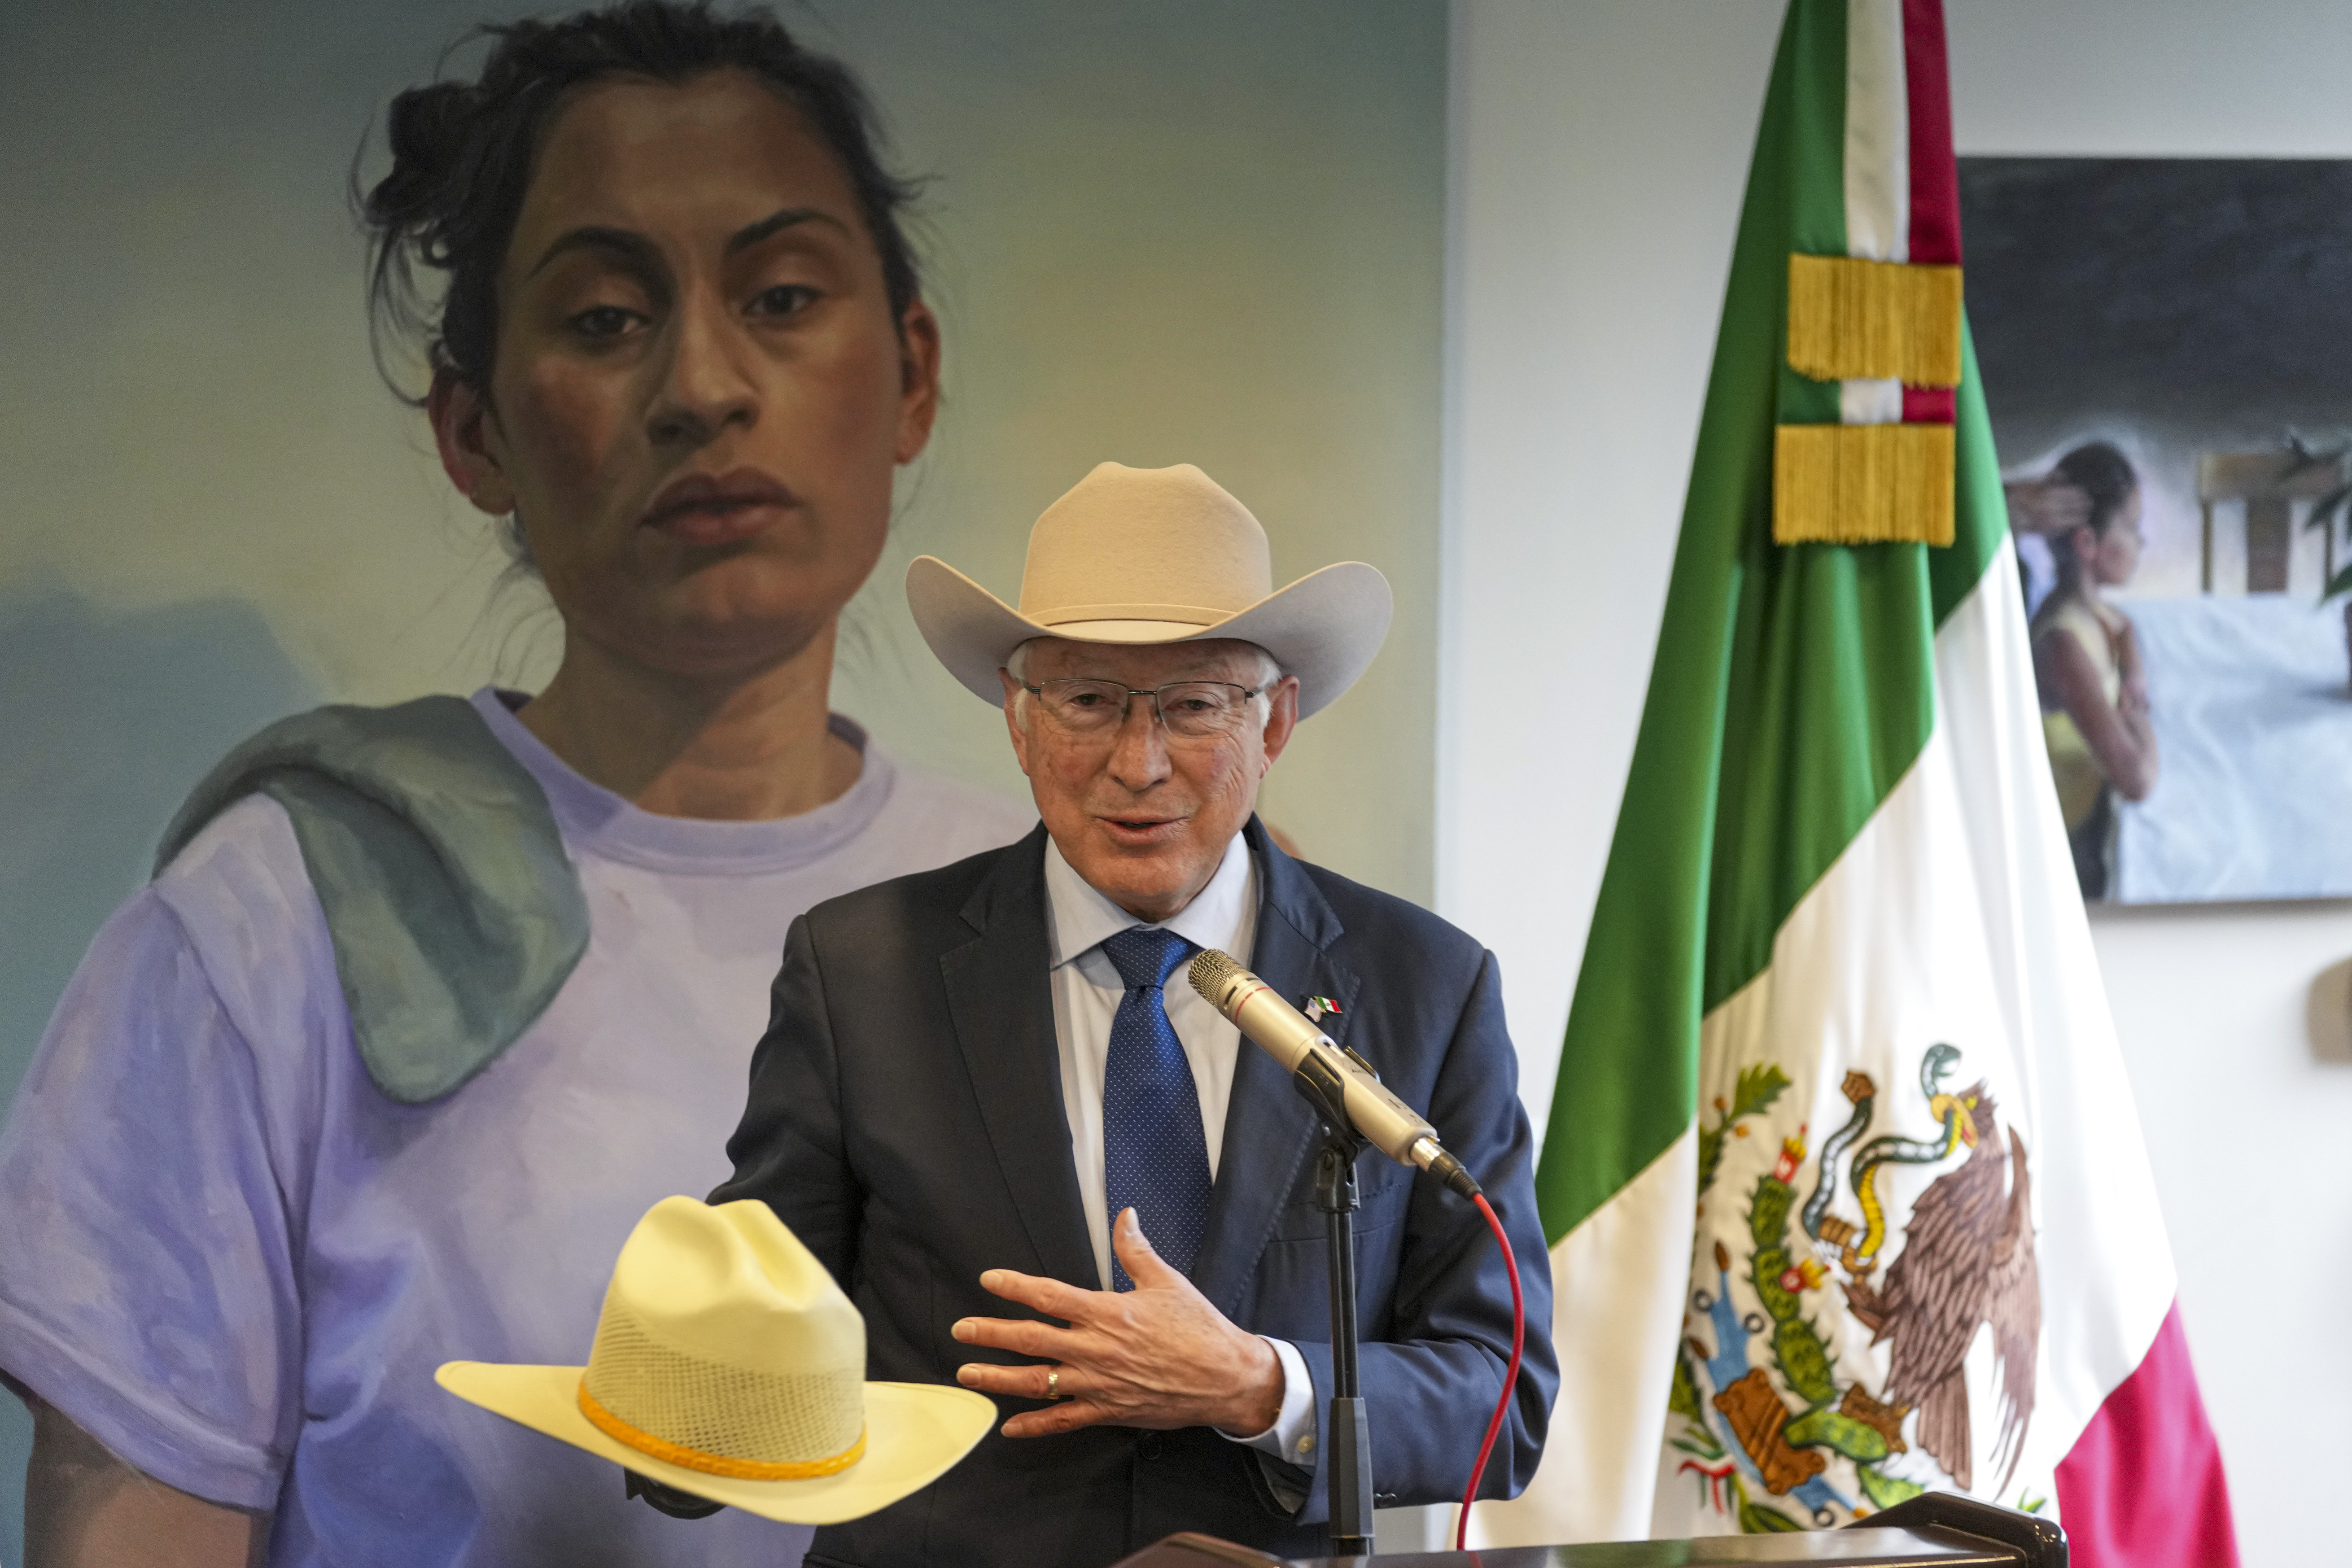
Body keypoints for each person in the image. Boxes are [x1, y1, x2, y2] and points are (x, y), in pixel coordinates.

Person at [0, 6, 1032, 1566]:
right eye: (609, 318)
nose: (703, 383)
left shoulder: (1067, 911)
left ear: (910, 372)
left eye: (782, 294)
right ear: (473, 428)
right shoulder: (279, 931)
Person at [712, 462, 1557, 1565]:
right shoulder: (859, 968)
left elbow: (1499, 1392)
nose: (1136, 762)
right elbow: (760, 1312)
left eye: (1193, 705)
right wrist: (682, 1381)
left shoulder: (1424, 986)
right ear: (1018, 719)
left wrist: (1256, 1383)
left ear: (1276, 721)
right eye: (1086, 700)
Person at [2027, 441, 2156, 898]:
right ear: (2087, 543)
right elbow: (2137, 779)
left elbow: (2125, 628)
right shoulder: (2062, 644)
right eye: (2133, 528)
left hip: (2083, 811)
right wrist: (2136, 714)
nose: (2142, 542)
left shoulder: (2083, 608)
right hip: (2067, 846)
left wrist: (2134, 673)